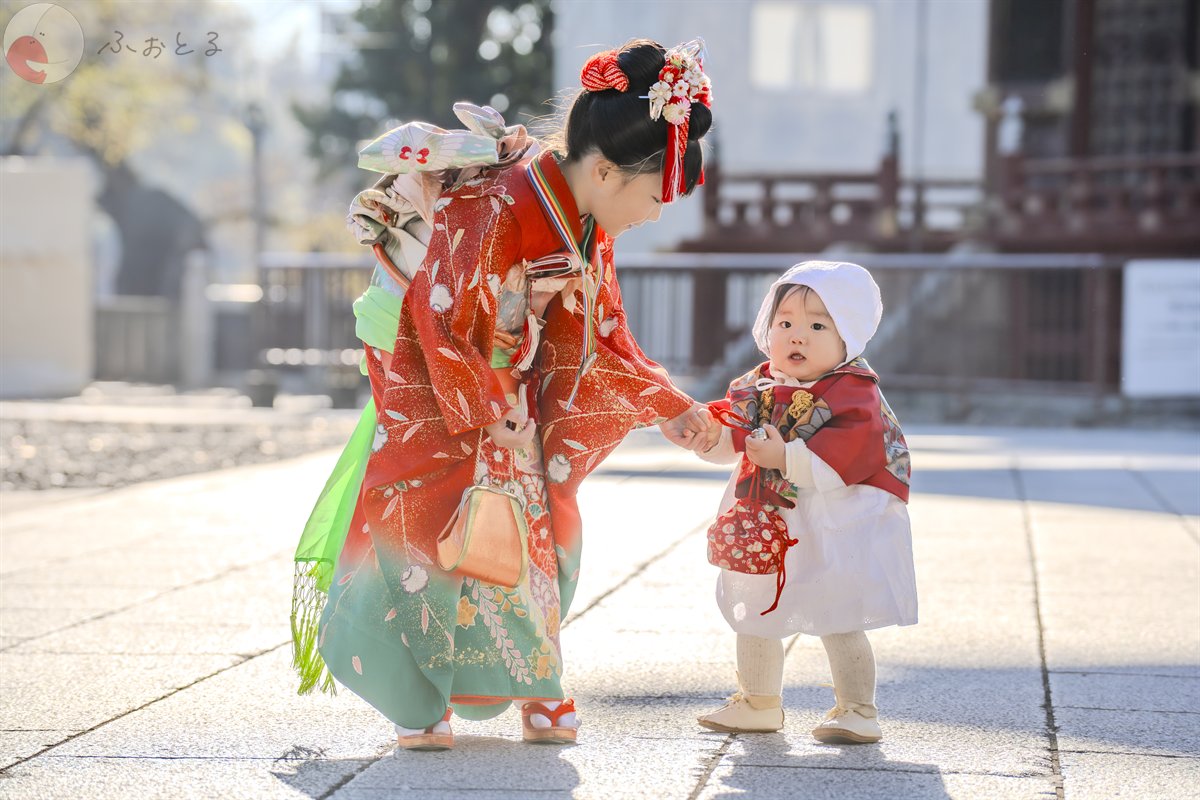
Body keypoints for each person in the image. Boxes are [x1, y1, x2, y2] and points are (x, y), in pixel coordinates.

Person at [294, 38, 716, 751]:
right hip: (429, 367)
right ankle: (417, 698)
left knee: (530, 517)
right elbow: (441, 317)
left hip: (502, 380)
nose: (654, 215)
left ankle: (536, 681)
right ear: (606, 171)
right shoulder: (494, 201)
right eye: (653, 196)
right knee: (432, 516)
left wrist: (667, 404)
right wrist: (490, 412)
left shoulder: (587, 217)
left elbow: (601, 333)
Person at [692, 261, 917, 744]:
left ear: (847, 337)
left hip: (834, 516)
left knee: (839, 609)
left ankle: (857, 708)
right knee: (755, 604)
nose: (797, 335)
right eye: (785, 322)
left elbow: (853, 452)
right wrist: (709, 435)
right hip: (768, 515)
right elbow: (733, 429)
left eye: (818, 326)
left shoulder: (854, 392)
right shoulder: (757, 386)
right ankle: (758, 701)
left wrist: (786, 456)